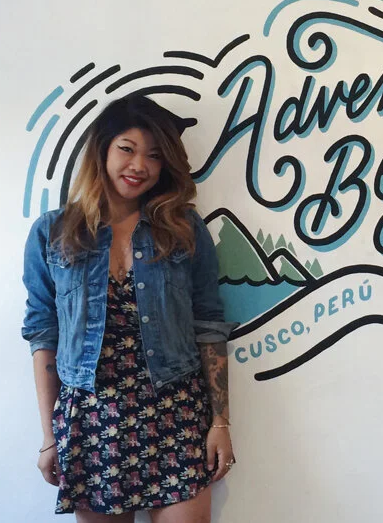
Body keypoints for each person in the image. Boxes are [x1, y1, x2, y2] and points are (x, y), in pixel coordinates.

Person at [22, 95, 237, 522]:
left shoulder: (182, 227)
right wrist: (50, 437)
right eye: (127, 148)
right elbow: (43, 334)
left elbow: (209, 326)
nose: (140, 165)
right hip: (91, 419)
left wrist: (220, 423)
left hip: (176, 411)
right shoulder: (53, 233)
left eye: (154, 156)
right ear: (102, 149)